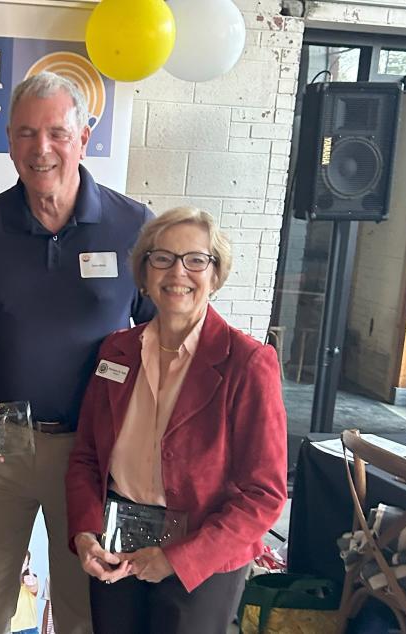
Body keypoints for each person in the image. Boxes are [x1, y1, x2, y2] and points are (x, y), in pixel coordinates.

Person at [0, 71, 154, 634]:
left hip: (93, 449)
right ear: (9, 140)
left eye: (57, 132)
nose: (42, 149)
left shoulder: (134, 227)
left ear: (84, 137)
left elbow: (162, 342)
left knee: (86, 608)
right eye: (27, 134)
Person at [66, 206, 288, 633]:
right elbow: (87, 458)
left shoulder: (248, 363)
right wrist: (84, 532)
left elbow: (264, 493)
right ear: (145, 272)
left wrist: (175, 558)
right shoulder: (116, 351)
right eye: (162, 258)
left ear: (215, 273)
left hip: (203, 554)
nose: (178, 272)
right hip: (117, 542)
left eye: (195, 260)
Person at [10, 552, 39, 634]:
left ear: (26, 566)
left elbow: (34, 589)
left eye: (23, 562)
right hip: (10, 630)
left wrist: (32, 584)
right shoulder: (5, 583)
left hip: (29, 630)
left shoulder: (31, 579)